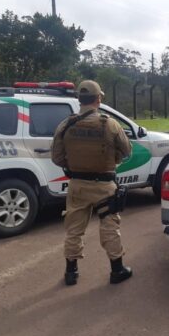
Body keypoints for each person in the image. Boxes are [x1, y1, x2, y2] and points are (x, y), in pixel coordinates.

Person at [51, 80, 134, 286]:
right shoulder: (110, 124)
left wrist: (73, 166)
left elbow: (56, 157)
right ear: (98, 99)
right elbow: (127, 150)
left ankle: (71, 273)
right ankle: (117, 270)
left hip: (77, 185)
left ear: (80, 100)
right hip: (104, 186)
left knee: (74, 230)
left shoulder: (66, 124)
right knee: (109, 227)